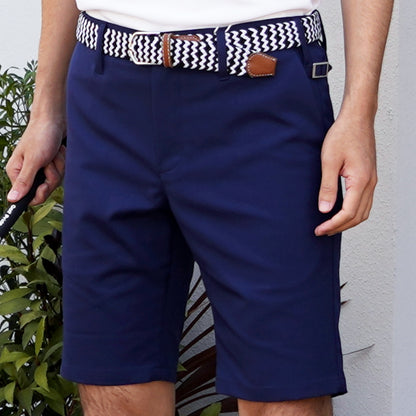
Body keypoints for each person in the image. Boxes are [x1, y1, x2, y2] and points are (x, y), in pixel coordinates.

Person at [5, 0, 393, 415]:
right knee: (115, 386)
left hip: (260, 85)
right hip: (106, 91)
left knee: (283, 390)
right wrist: (46, 110)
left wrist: (359, 113)